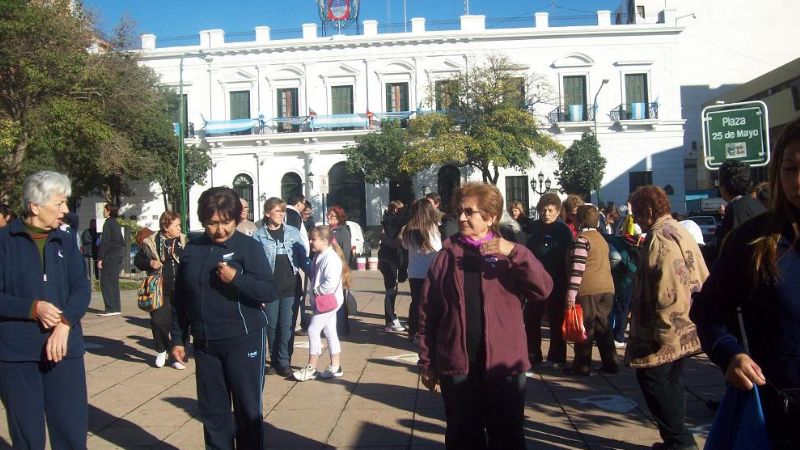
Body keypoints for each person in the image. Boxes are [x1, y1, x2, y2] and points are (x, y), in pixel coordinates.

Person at [690, 117, 800, 448]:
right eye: (790, 169)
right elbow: (708, 311)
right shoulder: (753, 241)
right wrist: (730, 354)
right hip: (779, 418)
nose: (798, 181)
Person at [418, 182, 553, 450]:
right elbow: (428, 312)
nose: (462, 217)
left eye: (470, 212)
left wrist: (515, 253)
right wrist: (427, 361)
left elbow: (543, 289)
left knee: (508, 436)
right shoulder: (445, 256)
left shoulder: (508, 253)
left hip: (504, 366)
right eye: (460, 211)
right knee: (462, 436)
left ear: (490, 218)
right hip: (457, 363)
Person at [171, 187, 275, 449]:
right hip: (206, 345)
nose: (220, 230)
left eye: (226, 222)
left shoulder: (248, 247)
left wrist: (237, 279)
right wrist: (178, 338)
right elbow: (181, 297)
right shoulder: (192, 250)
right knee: (214, 414)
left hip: (244, 339)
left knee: (247, 412)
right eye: (212, 223)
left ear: (236, 218)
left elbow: (269, 290)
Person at [0, 171, 91, 449]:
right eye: (59, 203)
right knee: (27, 436)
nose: (65, 210)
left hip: (65, 351)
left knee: (72, 432)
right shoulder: (4, 243)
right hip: (18, 356)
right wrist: (32, 308)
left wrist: (65, 323)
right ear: (34, 206)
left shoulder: (64, 240)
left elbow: (81, 288)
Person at [626, 185, 709, 450]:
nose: (636, 221)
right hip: (686, 319)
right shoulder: (679, 229)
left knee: (654, 379)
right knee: (669, 379)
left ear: (649, 211)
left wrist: (664, 329)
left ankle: (679, 441)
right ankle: (676, 438)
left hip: (668, 326)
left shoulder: (660, 236)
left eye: (638, 214)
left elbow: (669, 285)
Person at [253, 197, 309, 378]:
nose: (282, 214)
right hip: (270, 288)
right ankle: (274, 358)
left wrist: (316, 270)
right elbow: (256, 265)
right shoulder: (259, 235)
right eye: (278, 211)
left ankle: (284, 360)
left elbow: (302, 258)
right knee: (271, 326)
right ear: (268, 213)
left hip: (290, 286)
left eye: (283, 211)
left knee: (287, 326)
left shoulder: (293, 232)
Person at [564, 205, 619, 375]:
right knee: (603, 327)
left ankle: (582, 366)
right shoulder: (601, 238)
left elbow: (578, 268)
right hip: (607, 289)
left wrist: (571, 292)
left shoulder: (582, 239)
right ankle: (611, 363)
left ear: (579, 220)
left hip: (588, 289)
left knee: (585, 328)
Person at [293, 225, 351, 381]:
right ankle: (335, 366)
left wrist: (317, 291)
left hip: (327, 301)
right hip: (327, 301)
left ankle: (311, 367)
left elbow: (330, 283)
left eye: (314, 239)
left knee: (313, 330)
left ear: (325, 241)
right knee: (330, 331)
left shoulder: (330, 258)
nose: (311, 242)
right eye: (311, 238)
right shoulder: (321, 254)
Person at [134, 211, 188, 370]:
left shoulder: (184, 240)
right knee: (159, 321)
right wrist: (150, 262)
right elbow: (138, 260)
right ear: (166, 226)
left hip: (181, 287)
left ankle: (177, 356)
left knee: (181, 322)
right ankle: (162, 349)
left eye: (179, 225)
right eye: (176, 225)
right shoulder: (150, 241)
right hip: (159, 288)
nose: (179, 228)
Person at [525, 192, 573, 368]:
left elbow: (561, 256)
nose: (546, 213)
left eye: (550, 210)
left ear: (558, 211)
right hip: (535, 281)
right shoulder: (536, 227)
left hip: (556, 281)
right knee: (531, 317)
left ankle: (557, 357)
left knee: (555, 320)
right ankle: (533, 354)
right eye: (543, 210)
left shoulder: (563, 231)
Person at [401, 199, 442, 342]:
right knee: (429, 303)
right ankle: (425, 331)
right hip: (430, 271)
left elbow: (405, 246)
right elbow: (438, 249)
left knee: (416, 302)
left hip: (414, 271)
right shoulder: (434, 227)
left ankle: (413, 331)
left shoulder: (408, 228)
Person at [714, 160, 766, 250]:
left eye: (719, 182)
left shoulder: (735, 209)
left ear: (725, 186)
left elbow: (725, 251)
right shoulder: (758, 204)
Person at [378, 200, 409, 332]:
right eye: (400, 210)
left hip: (388, 258)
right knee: (391, 289)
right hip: (389, 259)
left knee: (392, 289)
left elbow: (384, 237)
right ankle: (390, 320)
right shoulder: (393, 223)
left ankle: (390, 319)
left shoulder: (386, 221)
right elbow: (396, 242)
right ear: (395, 210)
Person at [97, 203, 126, 317]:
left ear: (109, 211)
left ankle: (110, 308)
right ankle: (116, 307)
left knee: (105, 282)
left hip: (110, 256)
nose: (103, 212)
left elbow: (105, 242)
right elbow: (121, 241)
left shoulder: (108, 223)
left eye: (104, 210)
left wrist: (100, 258)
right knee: (113, 282)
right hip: (118, 255)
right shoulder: (116, 223)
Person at [327, 206, 352, 336]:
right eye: (329, 215)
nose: (330, 218)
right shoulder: (329, 231)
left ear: (339, 218)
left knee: (340, 299)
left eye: (333, 216)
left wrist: (343, 269)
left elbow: (346, 252)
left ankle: (342, 326)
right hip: (329, 271)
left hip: (339, 270)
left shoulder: (342, 231)